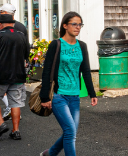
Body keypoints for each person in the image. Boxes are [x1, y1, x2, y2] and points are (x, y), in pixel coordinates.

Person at [39, 12, 99, 156]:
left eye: (80, 24)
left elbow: (85, 71)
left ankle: (50, 153)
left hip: (74, 95)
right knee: (70, 131)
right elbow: (47, 71)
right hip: (59, 95)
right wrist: (45, 97)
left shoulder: (82, 46)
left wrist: (92, 93)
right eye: (74, 24)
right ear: (65, 26)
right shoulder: (56, 44)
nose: (78, 27)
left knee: (70, 131)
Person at [0, 13, 30, 140]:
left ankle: (1, 123)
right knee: (16, 102)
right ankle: (16, 130)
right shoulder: (21, 35)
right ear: (13, 24)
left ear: (0, 24)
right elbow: (27, 53)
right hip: (18, 74)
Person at [0, 3, 27, 120]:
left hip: (3, 63)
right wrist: (25, 60)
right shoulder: (22, 27)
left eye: (1, 12)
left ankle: (9, 107)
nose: (0, 14)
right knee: (15, 91)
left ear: (5, 13)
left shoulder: (0, 27)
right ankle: (14, 112)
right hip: (18, 65)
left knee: (0, 87)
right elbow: (25, 46)